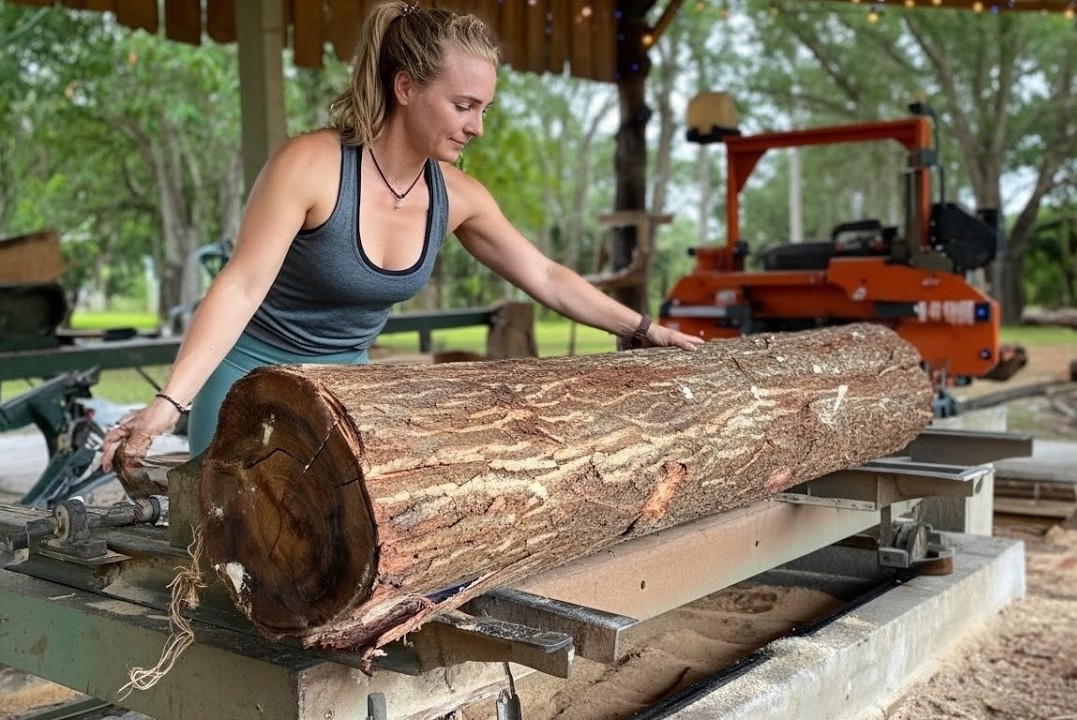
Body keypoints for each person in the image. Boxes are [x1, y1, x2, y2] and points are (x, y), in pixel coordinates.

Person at [101, 0, 703, 474]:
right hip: (249, 385)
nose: (478, 127)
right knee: (230, 562)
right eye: (464, 105)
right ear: (406, 87)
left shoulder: (457, 197)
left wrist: (643, 329)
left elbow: (545, 275)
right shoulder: (310, 167)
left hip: (348, 393)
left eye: (484, 108)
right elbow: (240, 285)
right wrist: (169, 403)